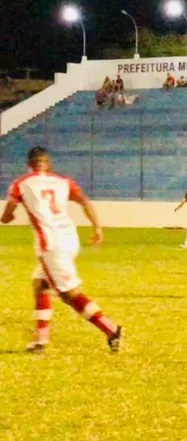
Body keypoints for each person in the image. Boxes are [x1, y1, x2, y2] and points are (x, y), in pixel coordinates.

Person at [2, 146, 122, 352]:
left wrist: (7, 217)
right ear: (48, 164)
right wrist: (98, 228)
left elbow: (7, 213)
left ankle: (110, 329)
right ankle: (41, 341)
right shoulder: (63, 182)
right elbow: (85, 202)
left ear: (29, 165)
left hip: (50, 244)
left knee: (69, 294)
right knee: (40, 285)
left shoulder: (21, 184)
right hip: (69, 239)